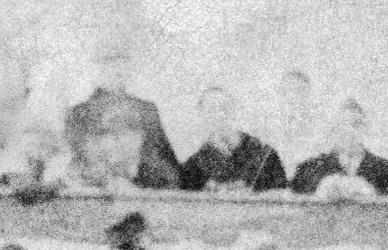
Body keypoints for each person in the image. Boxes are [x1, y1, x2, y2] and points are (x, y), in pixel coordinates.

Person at [64, 40, 181, 189]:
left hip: (140, 193)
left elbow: (168, 164)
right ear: (96, 70)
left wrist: (136, 183)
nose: (117, 69)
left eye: (122, 62)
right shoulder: (78, 113)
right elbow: (74, 163)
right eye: (109, 63)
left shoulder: (147, 110)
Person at [178, 85, 288, 192]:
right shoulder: (194, 166)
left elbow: (281, 200)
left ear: (234, 112)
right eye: (211, 110)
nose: (219, 115)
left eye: (223, 108)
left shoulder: (265, 156)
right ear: (202, 116)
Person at [290, 100, 388, 197]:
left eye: (356, 124)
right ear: (332, 130)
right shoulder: (307, 169)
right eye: (342, 124)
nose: (349, 131)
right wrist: (320, 193)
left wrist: (371, 194)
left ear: (366, 129)